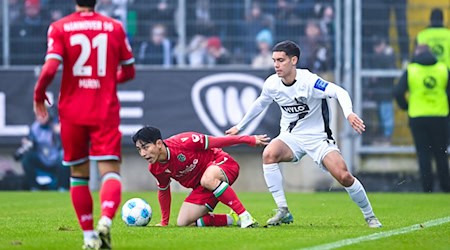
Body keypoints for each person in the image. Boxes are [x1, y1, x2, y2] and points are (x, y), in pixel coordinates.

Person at [226, 40, 382, 228]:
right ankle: (283, 210)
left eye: (281, 60)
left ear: (294, 60)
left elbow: (339, 91)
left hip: (318, 138)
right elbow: (261, 103)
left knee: (344, 176)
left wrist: (348, 113)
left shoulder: (310, 81)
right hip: (291, 136)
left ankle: (370, 216)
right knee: (269, 154)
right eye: (274, 60)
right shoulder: (272, 84)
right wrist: (240, 126)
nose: (276, 65)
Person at [32, 0, 135, 249]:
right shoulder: (114, 27)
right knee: (110, 170)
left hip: (72, 111)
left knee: (78, 174)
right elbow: (129, 71)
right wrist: (107, 80)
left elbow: (50, 68)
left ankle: (89, 237)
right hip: (104, 109)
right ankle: (106, 221)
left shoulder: (59, 27)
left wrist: (39, 94)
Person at [132, 126, 270, 228]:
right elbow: (164, 192)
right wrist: (164, 221)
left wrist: (249, 139)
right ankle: (232, 219)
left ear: (159, 144)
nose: (143, 153)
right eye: (139, 149)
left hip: (223, 165)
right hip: (203, 186)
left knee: (207, 179)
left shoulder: (184, 141)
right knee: (183, 222)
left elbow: (219, 141)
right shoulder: (155, 168)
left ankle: (245, 216)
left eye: (146, 147)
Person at [393, 45, 450, 193]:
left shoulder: (411, 70)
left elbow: (398, 92)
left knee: (423, 154)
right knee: (441, 154)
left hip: (418, 116)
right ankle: (446, 187)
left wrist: (406, 106)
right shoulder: (443, 68)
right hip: (440, 115)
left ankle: (427, 188)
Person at [14, 110, 70, 191]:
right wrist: (27, 143)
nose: (41, 118)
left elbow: (67, 143)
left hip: (56, 158)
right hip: (42, 158)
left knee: (63, 155)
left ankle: (63, 187)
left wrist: (60, 133)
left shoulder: (57, 125)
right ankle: (34, 187)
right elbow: (30, 143)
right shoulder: (34, 128)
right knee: (27, 158)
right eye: (38, 115)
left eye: (43, 115)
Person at [366, 36, 396, 145]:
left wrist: (378, 76)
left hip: (386, 92)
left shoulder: (389, 55)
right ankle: (383, 134)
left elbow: (391, 73)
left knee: (386, 114)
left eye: (378, 46)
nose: (376, 49)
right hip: (379, 92)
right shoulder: (376, 57)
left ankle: (387, 136)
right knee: (381, 114)